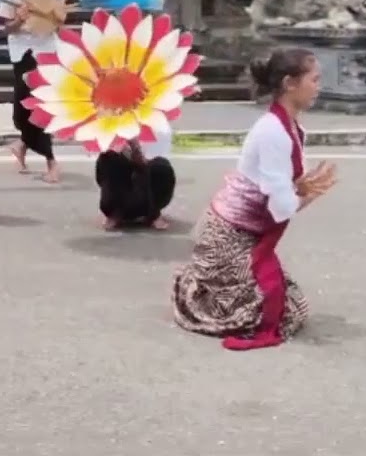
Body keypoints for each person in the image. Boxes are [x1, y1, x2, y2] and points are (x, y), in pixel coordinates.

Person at [171, 47, 337, 352]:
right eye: (314, 79)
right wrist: (308, 193)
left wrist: (300, 186)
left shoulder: (289, 126)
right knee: (271, 314)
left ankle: (211, 282)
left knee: (293, 307)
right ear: (290, 83)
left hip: (245, 233)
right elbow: (280, 207)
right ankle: (196, 288)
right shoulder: (273, 132)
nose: (318, 87)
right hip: (227, 234)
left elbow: (279, 185)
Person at [0, 0, 60, 183]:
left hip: (47, 52)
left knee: (42, 106)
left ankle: (50, 161)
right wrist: (19, 19)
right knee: (23, 107)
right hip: (22, 54)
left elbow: (60, 23)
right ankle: (24, 144)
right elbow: (6, 29)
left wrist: (49, 16)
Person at [95, 135, 176, 230]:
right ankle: (114, 213)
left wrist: (136, 150)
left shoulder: (158, 129)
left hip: (149, 188)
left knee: (161, 167)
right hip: (120, 195)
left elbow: (151, 160)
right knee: (108, 158)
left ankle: (153, 214)